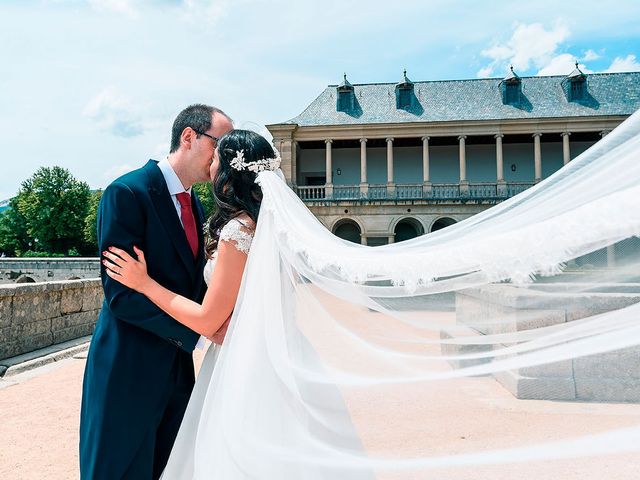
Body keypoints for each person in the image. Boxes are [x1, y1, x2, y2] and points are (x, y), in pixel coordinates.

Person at [80, 104, 233, 480]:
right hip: (126, 370)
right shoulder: (126, 193)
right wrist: (198, 335)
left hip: (177, 375)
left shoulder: (195, 204)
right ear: (189, 137)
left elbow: (193, 285)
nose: (226, 156)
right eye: (221, 143)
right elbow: (121, 295)